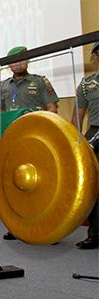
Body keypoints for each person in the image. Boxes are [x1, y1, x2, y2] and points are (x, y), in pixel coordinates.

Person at [0, 45, 59, 240]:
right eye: (13, 61)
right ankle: (16, 227)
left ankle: (51, 229)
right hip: (12, 144)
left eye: (21, 59)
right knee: (15, 184)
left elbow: (52, 109)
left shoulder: (39, 82)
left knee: (44, 185)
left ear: (28, 60)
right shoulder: (3, 86)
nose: (17, 64)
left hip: (37, 142)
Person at [71, 41, 99, 250]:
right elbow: (76, 119)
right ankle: (95, 233)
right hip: (95, 133)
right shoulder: (86, 84)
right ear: (95, 56)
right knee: (94, 186)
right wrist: (73, 143)